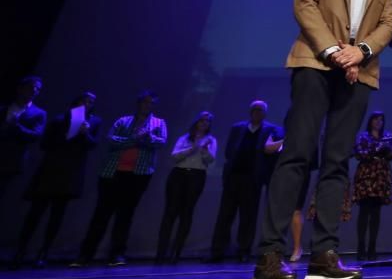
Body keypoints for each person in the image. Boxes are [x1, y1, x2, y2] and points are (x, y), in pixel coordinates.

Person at [252, 0, 392, 279]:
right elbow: (305, 4)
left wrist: (360, 52)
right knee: (297, 153)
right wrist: (335, 51)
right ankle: (269, 254)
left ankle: (324, 256)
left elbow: (388, 25)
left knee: (336, 162)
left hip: (359, 72)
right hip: (315, 62)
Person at [72, 90, 167, 266]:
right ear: (139, 103)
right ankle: (85, 255)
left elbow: (160, 142)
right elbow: (112, 140)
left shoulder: (158, 123)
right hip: (112, 172)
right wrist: (136, 139)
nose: (148, 105)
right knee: (101, 214)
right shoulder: (123, 120)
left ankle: (116, 254)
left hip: (138, 175)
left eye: (151, 103)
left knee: (125, 216)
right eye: (145, 102)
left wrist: (144, 139)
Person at [14, 92, 100, 268]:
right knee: (35, 212)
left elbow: (92, 145)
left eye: (91, 102)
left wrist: (84, 133)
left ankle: (44, 252)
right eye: (84, 100)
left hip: (71, 172)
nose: (87, 104)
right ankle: (20, 251)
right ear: (76, 101)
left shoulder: (94, 122)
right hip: (51, 169)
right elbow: (45, 144)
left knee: (57, 214)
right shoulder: (60, 119)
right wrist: (67, 133)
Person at [209, 101, 283, 263]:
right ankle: (217, 251)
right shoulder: (238, 128)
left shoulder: (270, 129)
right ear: (250, 112)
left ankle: (244, 250)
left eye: (261, 110)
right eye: (255, 110)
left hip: (253, 179)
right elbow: (229, 150)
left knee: (248, 217)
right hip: (234, 177)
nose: (258, 113)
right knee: (225, 216)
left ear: (265, 113)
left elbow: (273, 150)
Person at [156, 111, 217, 263]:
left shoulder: (211, 140)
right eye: (202, 120)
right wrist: (192, 149)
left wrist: (203, 150)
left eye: (208, 121)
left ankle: (176, 252)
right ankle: (161, 253)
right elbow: (174, 156)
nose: (204, 123)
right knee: (170, 212)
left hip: (196, 176)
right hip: (179, 174)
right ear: (196, 121)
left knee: (187, 212)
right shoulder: (184, 138)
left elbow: (211, 159)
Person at [353, 111, 392, 261]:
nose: (379, 122)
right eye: (376, 119)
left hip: (381, 176)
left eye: (381, 120)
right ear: (370, 121)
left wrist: (386, 150)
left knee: (376, 213)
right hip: (366, 175)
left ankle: (372, 247)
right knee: (364, 212)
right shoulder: (363, 136)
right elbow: (359, 153)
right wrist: (376, 150)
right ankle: (361, 247)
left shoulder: (387, 135)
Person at [1, 76, 46, 201]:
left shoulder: (38, 113)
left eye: (38, 89)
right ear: (21, 88)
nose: (34, 91)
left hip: (10, 160)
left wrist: (17, 126)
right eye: (32, 87)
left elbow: (35, 135)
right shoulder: (5, 107)